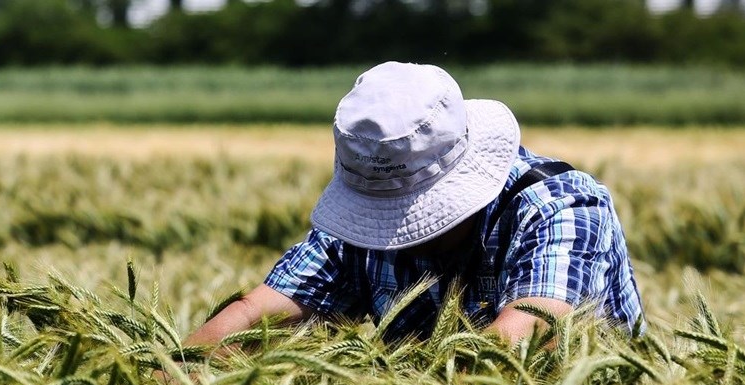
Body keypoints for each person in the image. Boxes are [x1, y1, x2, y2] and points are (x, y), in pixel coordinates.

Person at [185, 61, 644, 350]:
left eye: (409, 211)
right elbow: (255, 315)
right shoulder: (358, 226)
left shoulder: (560, 209)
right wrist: (171, 375)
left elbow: (517, 344)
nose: (391, 235)